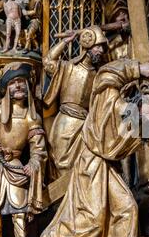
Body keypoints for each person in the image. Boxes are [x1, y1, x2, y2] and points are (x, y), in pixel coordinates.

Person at [40, 57, 149, 237]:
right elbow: (105, 75)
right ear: (140, 99)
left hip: (107, 169)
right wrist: (137, 68)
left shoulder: (141, 124)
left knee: (127, 208)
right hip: (91, 165)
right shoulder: (110, 101)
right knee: (93, 219)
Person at [0, 62, 47, 237]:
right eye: (13, 82)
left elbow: (38, 149)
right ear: (6, 88)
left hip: (16, 165)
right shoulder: (0, 112)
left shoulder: (32, 117)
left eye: (22, 82)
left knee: (19, 209)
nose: (18, 86)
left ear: (28, 86)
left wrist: (34, 164)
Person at [43, 26, 107, 181]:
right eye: (98, 46)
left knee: (83, 170)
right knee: (60, 164)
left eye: (102, 48)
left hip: (86, 127)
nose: (101, 51)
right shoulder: (68, 67)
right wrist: (65, 41)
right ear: (88, 44)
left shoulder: (100, 76)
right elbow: (47, 61)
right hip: (65, 122)